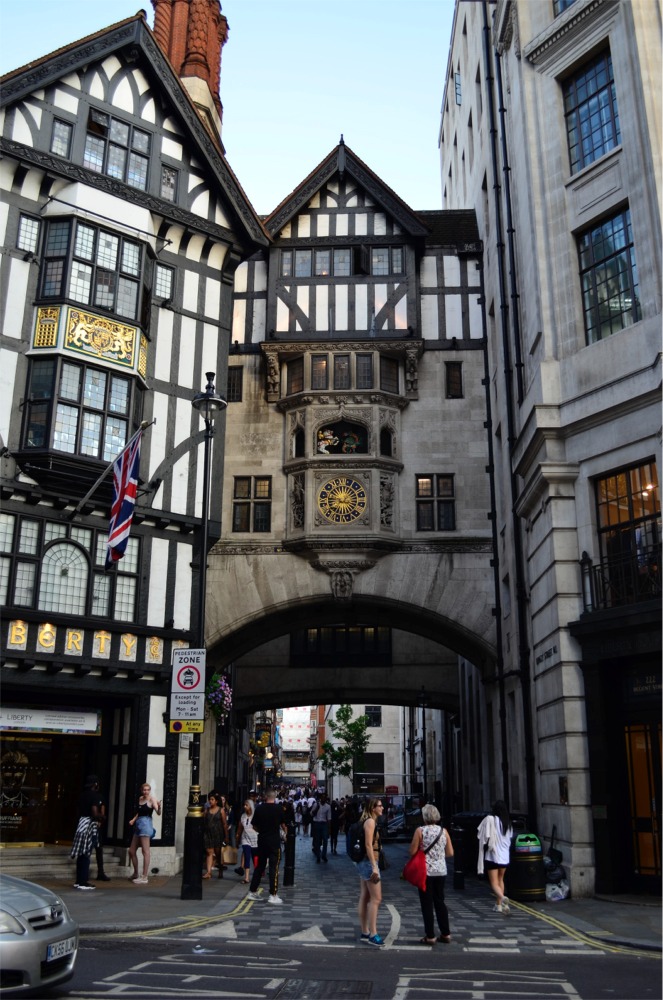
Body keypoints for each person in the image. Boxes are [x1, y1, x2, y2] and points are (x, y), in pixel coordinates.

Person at [408, 803, 454, 944]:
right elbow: (450, 853)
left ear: (425, 817)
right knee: (440, 901)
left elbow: (412, 852)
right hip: (441, 871)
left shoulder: (420, 831)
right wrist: (438, 856)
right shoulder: (444, 831)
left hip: (425, 872)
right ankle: (445, 934)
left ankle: (430, 936)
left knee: (427, 903)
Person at [247, 788, 287, 905]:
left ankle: (252, 891)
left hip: (262, 841)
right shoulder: (278, 809)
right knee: (274, 868)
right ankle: (273, 895)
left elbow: (254, 826)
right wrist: (285, 834)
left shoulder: (259, 808)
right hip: (274, 842)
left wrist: (262, 831)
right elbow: (283, 825)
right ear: (274, 797)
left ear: (265, 797)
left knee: (260, 867)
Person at [354, 797, 385, 946]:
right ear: (373, 808)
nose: (382, 808)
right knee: (376, 898)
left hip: (364, 862)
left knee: (365, 896)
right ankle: (373, 933)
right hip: (369, 862)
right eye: (380, 806)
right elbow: (368, 845)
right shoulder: (371, 822)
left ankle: (365, 931)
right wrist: (374, 866)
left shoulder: (367, 821)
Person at [477, 800, 513, 913]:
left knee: (493, 883)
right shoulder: (508, 824)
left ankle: (502, 899)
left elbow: (483, 835)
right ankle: (499, 906)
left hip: (493, 856)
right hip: (505, 856)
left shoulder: (491, 820)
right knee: (500, 879)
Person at [70, 775, 101, 890]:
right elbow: (94, 812)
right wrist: (102, 816)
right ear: (95, 785)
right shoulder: (94, 796)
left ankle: (79, 881)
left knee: (81, 854)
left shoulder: (82, 795)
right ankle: (83, 882)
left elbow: (78, 810)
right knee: (87, 853)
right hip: (89, 825)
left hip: (81, 823)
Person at [128, 782, 161, 884]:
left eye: (148, 790)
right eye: (144, 790)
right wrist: (133, 820)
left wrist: (159, 807)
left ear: (149, 790)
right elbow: (139, 812)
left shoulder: (152, 799)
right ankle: (136, 873)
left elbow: (158, 812)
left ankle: (145, 876)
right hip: (138, 824)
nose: (146, 792)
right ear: (142, 790)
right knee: (132, 850)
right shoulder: (140, 799)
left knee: (145, 851)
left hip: (146, 825)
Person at [203, 791, 226, 879]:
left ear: (216, 801)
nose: (210, 801)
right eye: (209, 799)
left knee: (218, 853)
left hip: (217, 834)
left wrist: (226, 837)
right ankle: (209, 872)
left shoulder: (221, 810)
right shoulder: (207, 811)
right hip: (208, 834)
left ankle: (220, 868)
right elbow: (204, 821)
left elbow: (224, 824)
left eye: (212, 799)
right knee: (209, 852)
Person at [236, 798, 258, 884]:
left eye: (246, 805)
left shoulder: (255, 816)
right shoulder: (243, 816)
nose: (245, 807)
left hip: (255, 840)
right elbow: (239, 828)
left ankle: (257, 876)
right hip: (245, 839)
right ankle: (247, 877)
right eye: (244, 805)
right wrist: (237, 839)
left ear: (251, 806)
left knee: (255, 858)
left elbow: (259, 827)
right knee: (247, 856)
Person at [94, 781, 111, 881]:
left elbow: (102, 808)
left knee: (99, 848)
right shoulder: (94, 796)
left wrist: (100, 820)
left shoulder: (99, 797)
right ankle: (100, 871)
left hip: (95, 825)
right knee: (97, 849)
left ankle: (100, 871)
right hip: (92, 824)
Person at [312, 793, 331, 863]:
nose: (323, 799)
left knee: (325, 840)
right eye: (322, 798)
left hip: (324, 824)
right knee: (317, 840)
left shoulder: (328, 807)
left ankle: (324, 855)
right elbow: (311, 814)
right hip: (317, 823)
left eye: (324, 798)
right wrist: (316, 809)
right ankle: (318, 856)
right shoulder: (316, 805)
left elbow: (329, 818)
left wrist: (329, 829)